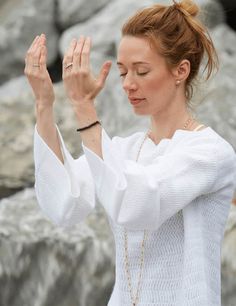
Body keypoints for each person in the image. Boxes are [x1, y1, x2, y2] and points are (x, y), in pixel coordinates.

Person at [25, 0, 236, 305]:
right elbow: (65, 203)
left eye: (141, 71)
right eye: (123, 72)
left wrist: (84, 108)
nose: (128, 85)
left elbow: (137, 203)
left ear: (181, 70)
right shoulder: (125, 150)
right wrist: (44, 105)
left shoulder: (210, 153)